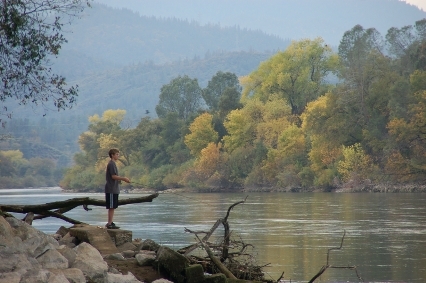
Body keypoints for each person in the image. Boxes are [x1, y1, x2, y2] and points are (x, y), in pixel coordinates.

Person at [105, 148, 130, 229]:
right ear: (112, 155)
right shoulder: (111, 164)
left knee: (113, 207)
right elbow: (113, 176)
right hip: (111, 189)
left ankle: (110, 222)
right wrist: (124, 179)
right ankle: (109, 223)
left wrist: (120, 180)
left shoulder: (113, 164)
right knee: (111, 207)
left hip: (114, 189)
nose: (118, 156)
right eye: (117, 154)